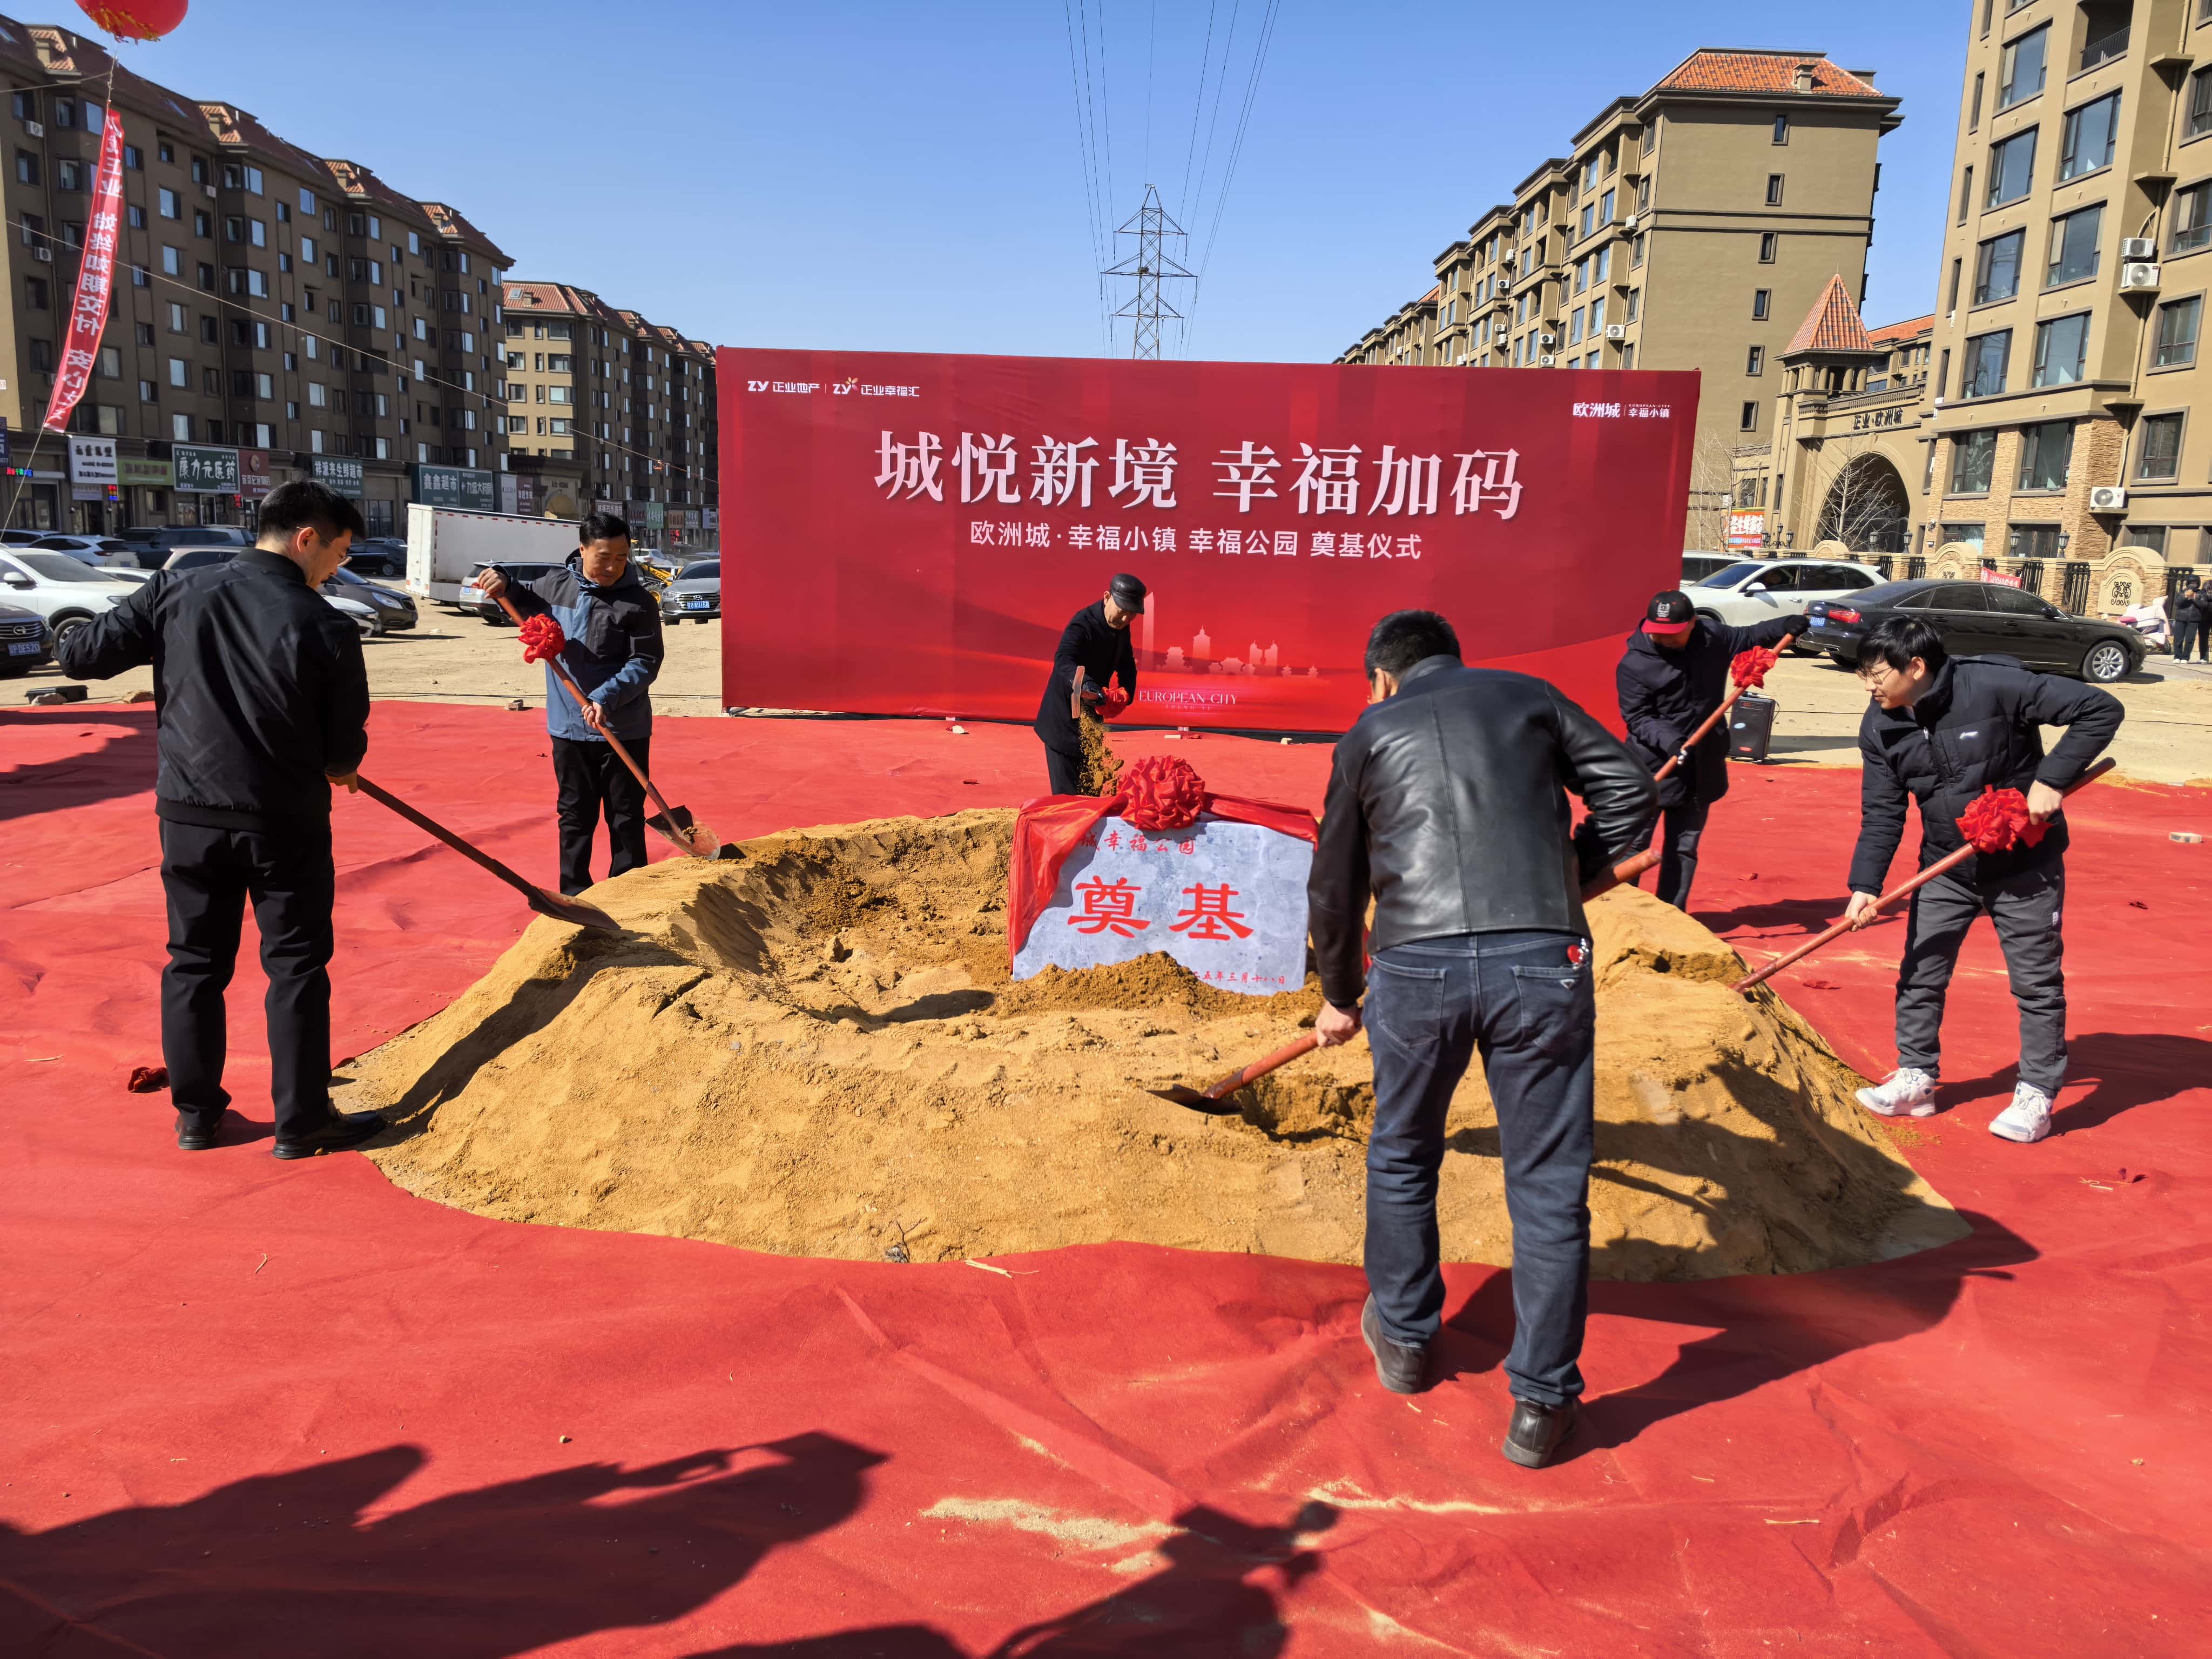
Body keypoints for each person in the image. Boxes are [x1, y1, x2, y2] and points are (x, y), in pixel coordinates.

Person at [1306, 610, 1658, 1468]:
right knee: (1547, 1185)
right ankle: (1541, 1404)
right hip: (1541, 958)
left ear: (1382, 678)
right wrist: (1569, 874)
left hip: (1416, 966)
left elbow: (1335, 881)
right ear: (1454, 660)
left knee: (1402, 1152)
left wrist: (1339, 995)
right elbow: (1632, 791)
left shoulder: (1368, 732)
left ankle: (1406, 1339)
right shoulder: (1528, 697)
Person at [58, 480, 384, 1158]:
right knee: (294, 965)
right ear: (306, 538)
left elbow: (81, 654)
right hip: (283, 820)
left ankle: (196, 1117)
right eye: (339, 552)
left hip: (188, 814)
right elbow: (343, 749)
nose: (338, 569)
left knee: (194, 962)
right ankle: (301, 1121)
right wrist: (338, 765)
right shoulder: (325, 623)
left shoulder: (177, 590)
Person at [1844, 615, 2122, 1143]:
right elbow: (1882, 812)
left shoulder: (1995, 686)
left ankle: (2036, 1092)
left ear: (1916, 667)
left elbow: (2099, 708)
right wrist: (1866, 886)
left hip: (2023, 866)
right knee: (1921, 969)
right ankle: (1916, 1077)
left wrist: (2050, 780)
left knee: (2034, 981)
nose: (1868, 686)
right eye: (1863, 675)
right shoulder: (1880, 724)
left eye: (1875, 675)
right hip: (1944, 866)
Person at [477, 514, 665, 896]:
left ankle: (630, 893)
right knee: (575, 816)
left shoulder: (639, 601)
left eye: (621, 557)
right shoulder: (553, 586)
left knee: (626, 816)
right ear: (582, 550)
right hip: (568, 727)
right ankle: (574, 894)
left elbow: (645, 662)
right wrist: (501, 580)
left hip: (623, 727)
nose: (613, 566)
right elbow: (515, 599)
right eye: (603, 556)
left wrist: (605, 698)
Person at [1616, 589, 1806, 911]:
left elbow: (1749, 635)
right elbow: (1638, 717)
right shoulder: (1634, 664)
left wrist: (1786, 624)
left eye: (1673, 634)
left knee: (1684, 847)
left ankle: (1671, 916)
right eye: (1659, 634)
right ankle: (1622, 916)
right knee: (1633, 847)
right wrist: (1672, 742)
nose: (1665, 640)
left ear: (1692, 624)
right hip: (1651, 767)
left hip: (1701, 767)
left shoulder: (1711, 637)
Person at [1034, 573, 1143, 795]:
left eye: (1131, 616)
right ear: (1106, 598)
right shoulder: (1082, 624)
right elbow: (1064, 661)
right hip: (1063, 718)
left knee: (1092, 791)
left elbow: (1127, 663)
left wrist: (1126, 693)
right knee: (1068, 798)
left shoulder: (1121, 626)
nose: (1125, 620)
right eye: (1122, 612)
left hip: (1091, 715)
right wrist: (1091, 688)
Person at [2175, 580, 2207, 663]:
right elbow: (2177, 603)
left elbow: (2203, 605)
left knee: (2190, 639)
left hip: (2194, 619)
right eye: (2192, 583)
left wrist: (2194, 598)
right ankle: (2177, 656)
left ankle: (2185, 657)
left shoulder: (2201, 593)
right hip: (2181, 618)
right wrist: (2185, 597)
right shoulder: (2182, 592)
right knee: (2178, 638)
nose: (2193, 585)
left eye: (2195, 583)